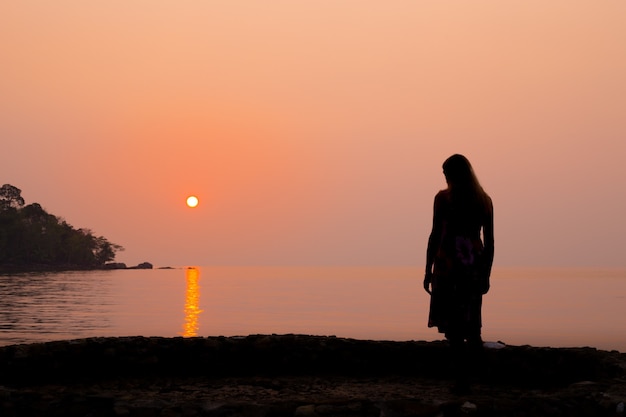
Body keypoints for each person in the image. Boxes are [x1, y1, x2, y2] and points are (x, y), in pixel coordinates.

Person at [423, 154, 494, 392]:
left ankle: (463, 379)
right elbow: (490, 243)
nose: (444, 178)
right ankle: (481, 375)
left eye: (445, 173)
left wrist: (427, 269)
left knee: (454, 329)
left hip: (448, 266)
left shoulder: (443, 199)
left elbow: (434, 235)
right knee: (472, 327)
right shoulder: (484, 200)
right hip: (472, 265)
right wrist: (486, 274)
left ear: (453, 174)